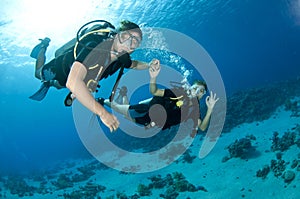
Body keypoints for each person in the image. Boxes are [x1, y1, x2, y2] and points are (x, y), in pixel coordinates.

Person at [30, 20, 151, 132]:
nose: (129, 45)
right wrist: (103, 113)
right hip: (61, 67)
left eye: (135, 43)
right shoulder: (94, 45)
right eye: (126, 37)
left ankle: (53, 84)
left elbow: (133, 64)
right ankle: (43, 46)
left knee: (58, 86)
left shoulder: (122, 57)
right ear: (116, 35)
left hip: (80, 76)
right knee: (38, 74)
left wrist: (150, 65)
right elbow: (73, 82)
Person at [100, 59, 219, 136]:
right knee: (124, 112)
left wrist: (210, 109)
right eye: (195, 88)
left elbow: (202, 127)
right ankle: (103, 101)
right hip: (147, 110)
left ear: (203, 95)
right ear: (190, 88)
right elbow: (155, 91)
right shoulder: (179, 92)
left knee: (127, 114)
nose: (197, 91)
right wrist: (153, 77)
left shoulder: (195, 110)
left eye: (201, 91)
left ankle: (124, 95)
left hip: (154, 123)